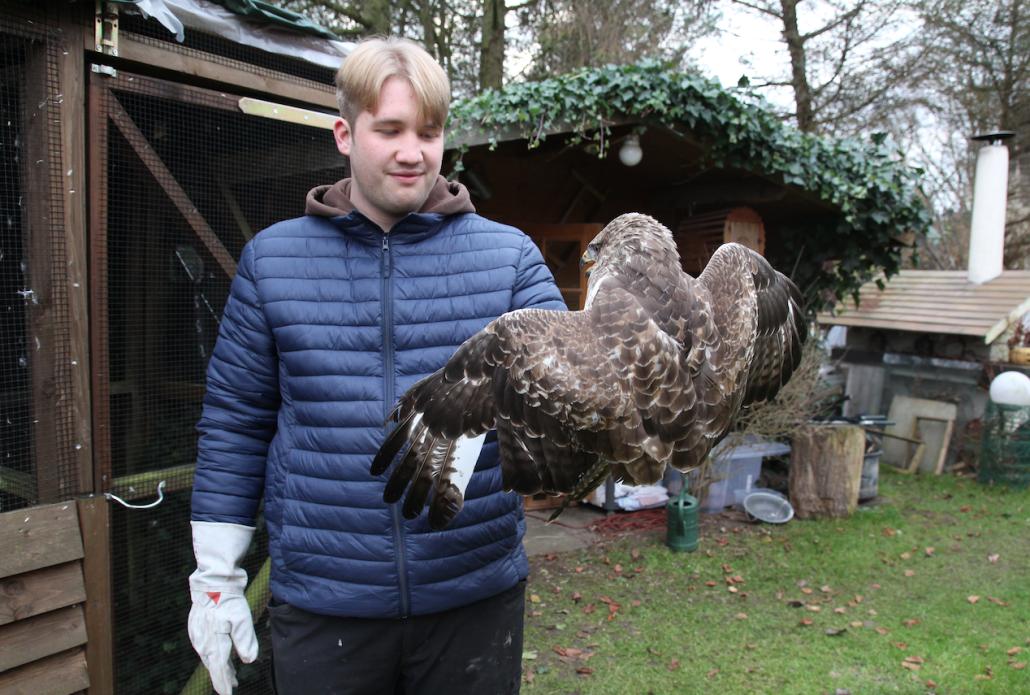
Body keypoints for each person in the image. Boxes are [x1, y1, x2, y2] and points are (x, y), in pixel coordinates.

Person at [186, 37, 564, 695]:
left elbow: (572, 382)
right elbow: (235, 423)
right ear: (344, 132)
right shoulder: (274, 262)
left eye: (430, 131)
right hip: (327, 605)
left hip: (471, 597)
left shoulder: (508, 260)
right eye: (389, 129)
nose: (413, 152)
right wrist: (216, 573)